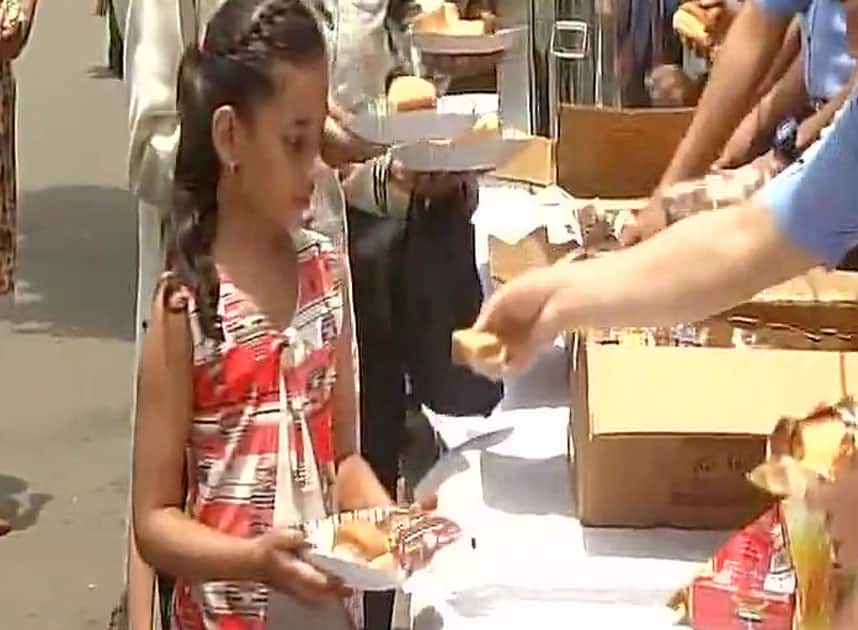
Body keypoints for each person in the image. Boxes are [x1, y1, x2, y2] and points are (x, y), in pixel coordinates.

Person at [131, 1, 399, 628]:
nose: (315, 163)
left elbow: (344, 460)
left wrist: (391, 524)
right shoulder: (187, 305)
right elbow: (153, 521)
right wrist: (254, 560)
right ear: (230, 138)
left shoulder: (328, 275)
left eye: (320, 141)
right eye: (295, 141)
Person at [629, 0, 857, 241]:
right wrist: (749, 129)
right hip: (818, 131)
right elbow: (771, 35)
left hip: (837, 137)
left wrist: (791, 148)